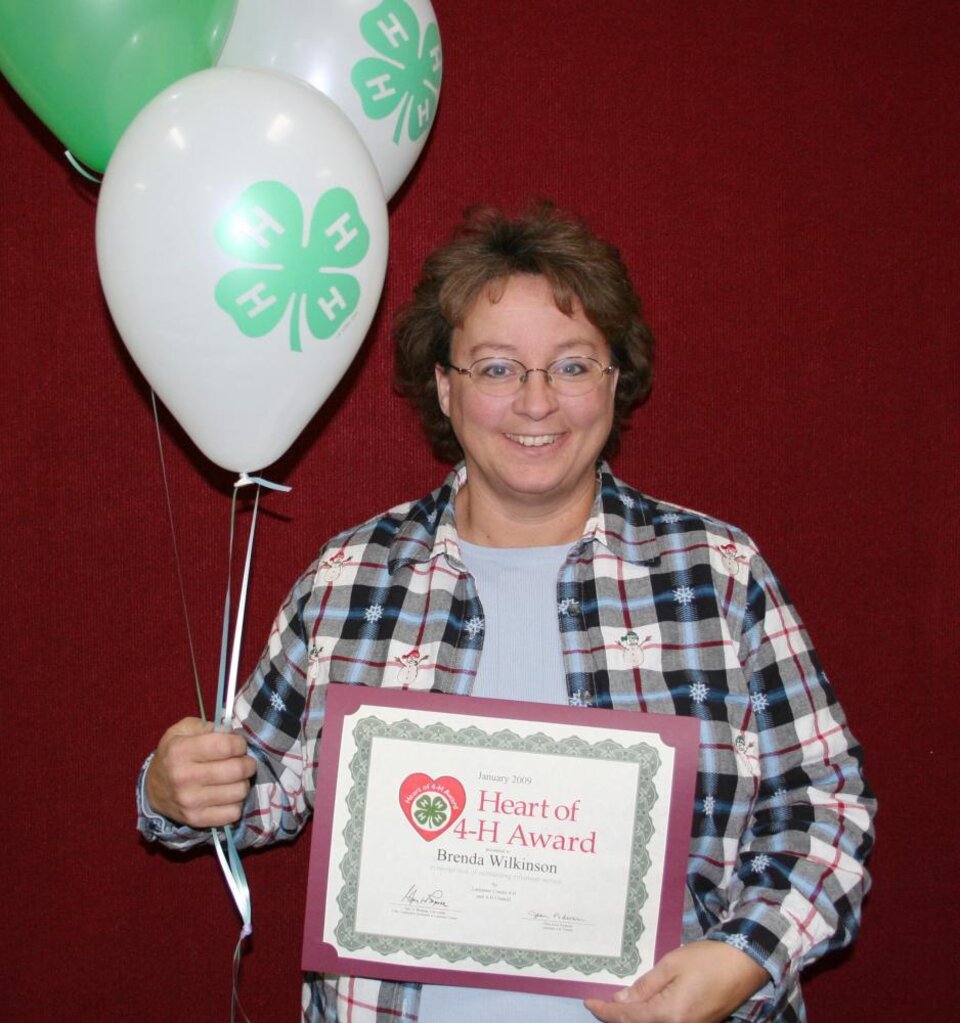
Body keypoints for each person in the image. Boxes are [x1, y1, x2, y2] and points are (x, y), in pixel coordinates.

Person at [139, 202, 875, 1023]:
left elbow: (827, 808)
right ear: (445, 390)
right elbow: (254, 782)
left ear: (615, 381)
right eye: (496, 369)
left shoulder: (717, 574)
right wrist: (178, 786)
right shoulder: (353, 577)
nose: (535, 402)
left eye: (571, 365)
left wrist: (743, 958)